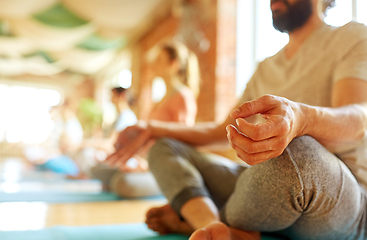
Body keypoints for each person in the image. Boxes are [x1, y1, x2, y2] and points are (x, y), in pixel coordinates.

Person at [106, 0, 367, 239]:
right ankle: (211, 225)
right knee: (165, 145)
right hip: (263, 192)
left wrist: (303, 119)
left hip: (333, 197)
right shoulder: (266, 67)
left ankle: (193, 217)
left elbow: (357, 119)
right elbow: (221, 131)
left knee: (299, 151)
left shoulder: (350, 36)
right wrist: (152, 129)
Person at [94, 41, 201, 198]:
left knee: (122, 183)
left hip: (167, 169)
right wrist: (135, 159)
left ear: (174, 64)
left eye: (159, 60)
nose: (154, 65)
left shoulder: (183, 96)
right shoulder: (159, 100)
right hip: (150, 162)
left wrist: (146, 168)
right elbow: (149, 140)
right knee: (99, 170)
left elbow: (183, 144)